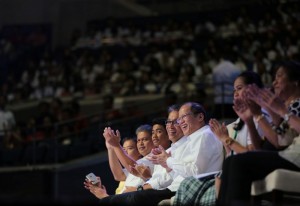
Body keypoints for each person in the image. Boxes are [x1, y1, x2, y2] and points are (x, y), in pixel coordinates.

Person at [96, 102, 224, 205]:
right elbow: (180, 173)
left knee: (125, 199)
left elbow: (194, 171)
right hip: (173, 188)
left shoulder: (203, 136)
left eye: (182, 118)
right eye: (174, 121)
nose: (179, 123)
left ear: (200, 117)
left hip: (182, 189)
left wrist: (167, 161)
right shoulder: (190, 140)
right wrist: (165, 165)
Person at [172, 71, 267, 205]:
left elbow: (252, 153)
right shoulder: (239, 121)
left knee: (192, 183)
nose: (235, 94)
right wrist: (226, 141)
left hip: (247, 169)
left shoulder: (262, 117)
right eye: (234, 90)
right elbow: (231, 155)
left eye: (239, 88)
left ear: (255, 89)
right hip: (234, 167)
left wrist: (225, 139)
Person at [217, 60, 300, 206]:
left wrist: (268, 111)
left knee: (238, 162)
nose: (274, 82)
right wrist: (251, 118)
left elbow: (278, 143)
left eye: (279, 76)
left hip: (293, 156)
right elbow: (279, 140)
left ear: (296, 82)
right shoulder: (282, 109)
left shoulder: (292, 106)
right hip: (285, 154)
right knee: (231, 162)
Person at [84, 124, 155, 197]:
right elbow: (119, 175)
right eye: (138, 140)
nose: (140, 143)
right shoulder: (140, 163)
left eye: (145, 139)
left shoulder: (154, 157)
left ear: (153, 139)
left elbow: (134, 167)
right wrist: (111, 148)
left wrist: (116, 145)